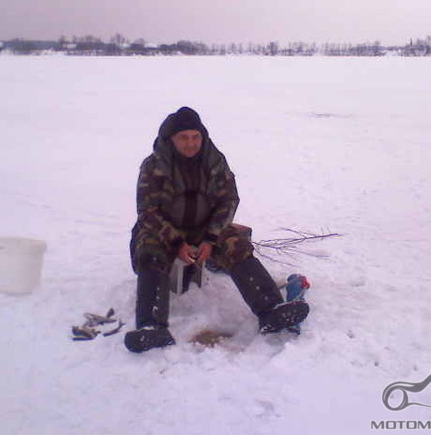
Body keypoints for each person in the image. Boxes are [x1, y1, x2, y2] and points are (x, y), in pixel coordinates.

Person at [124, 107, 309, 353]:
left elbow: (228, 200)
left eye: (195, 137)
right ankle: (151, 327)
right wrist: (178, 243)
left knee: (236, 243)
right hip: (163, 229)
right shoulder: (154, 166)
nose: (191, 144)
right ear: (171, 139)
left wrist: (211, 238)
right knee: (149, 249)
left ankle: (271, 310)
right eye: (184, 138)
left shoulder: (214, 160)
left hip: (204, 227)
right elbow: (148, 211)